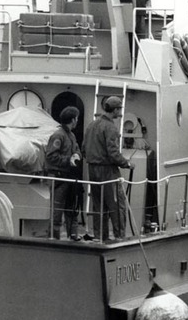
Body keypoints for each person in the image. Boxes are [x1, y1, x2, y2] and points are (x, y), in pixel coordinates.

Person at [83, 96, 135, 241]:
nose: (121, 112)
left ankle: (100, 237)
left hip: (92, 170)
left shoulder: (91, 125)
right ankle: (119, 237)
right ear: (116, 110)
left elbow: (83, 149)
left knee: (98, 206)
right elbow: (113, 153)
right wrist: (127, 163)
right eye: (120, 109)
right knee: (117, 205)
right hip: (108, 172)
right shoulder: (110, 127)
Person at [45, 106, 82, 240]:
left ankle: (73, 236)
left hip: (68, 178)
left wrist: (77, 156)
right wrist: (68, 160)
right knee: (56, 212)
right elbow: (50, 156)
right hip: (58, 179)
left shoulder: (71, 136)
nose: (77, 120)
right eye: (76, 118)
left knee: (72, 210)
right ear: (73, 119)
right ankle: (54, 239)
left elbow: (77, 150)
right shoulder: (58, 136)